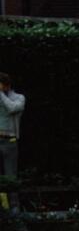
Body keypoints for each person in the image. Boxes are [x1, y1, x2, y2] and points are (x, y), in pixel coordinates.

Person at [0, 72, 25, 212]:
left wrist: (1, 94)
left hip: (10, 140)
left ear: (7, 85)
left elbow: (12, 108)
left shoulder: (19, 98)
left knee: (11, 177)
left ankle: (14, 209)